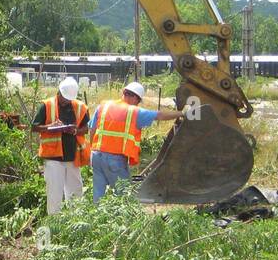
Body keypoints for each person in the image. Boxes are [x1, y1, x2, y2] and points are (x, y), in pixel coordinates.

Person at [88, 80, 187, 200]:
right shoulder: (133, 112)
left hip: (96, 156)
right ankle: (122, 219)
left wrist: (91, 151)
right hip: (114, 159)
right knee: (123, 197)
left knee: (98, 195)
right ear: (135, 98)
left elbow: (92, 130)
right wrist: (181, 113)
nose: (138, 104)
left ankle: (96, 218)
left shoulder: (103, 107)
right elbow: (159, 115)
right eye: (138, 101)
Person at [30, 77, 90, 215]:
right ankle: (54, 222)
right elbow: (34, 127)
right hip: (53, 157)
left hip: (72, 156)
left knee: (75, 191)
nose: (66, 101)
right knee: (54, 193)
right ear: (59, 92)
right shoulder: (47, 105)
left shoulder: (80, 107)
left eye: (69, 99)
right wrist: (50, 127)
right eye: (64, 98)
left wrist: (75, 131)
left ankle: (75, 222)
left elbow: (86, 128)